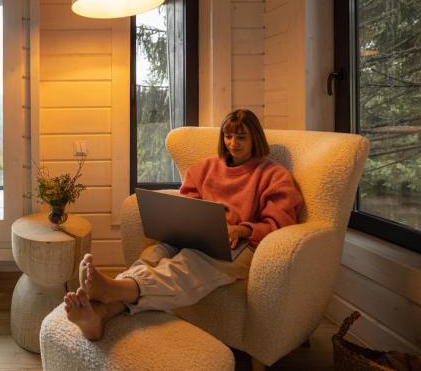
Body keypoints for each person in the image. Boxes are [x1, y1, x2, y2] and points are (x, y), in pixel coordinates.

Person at [63, 108, 303, 341]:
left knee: (187, 265)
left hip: (240, 245)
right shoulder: (206, 168)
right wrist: (185, 223)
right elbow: (189, 202)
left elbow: (279, 222)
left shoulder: (274, 175)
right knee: (154, 255)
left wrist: (242, 229)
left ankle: (110, 290)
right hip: (197, 235)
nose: (233, 143)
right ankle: (99, 314)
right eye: (228, 136)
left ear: (255, 139)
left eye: (241, 137)